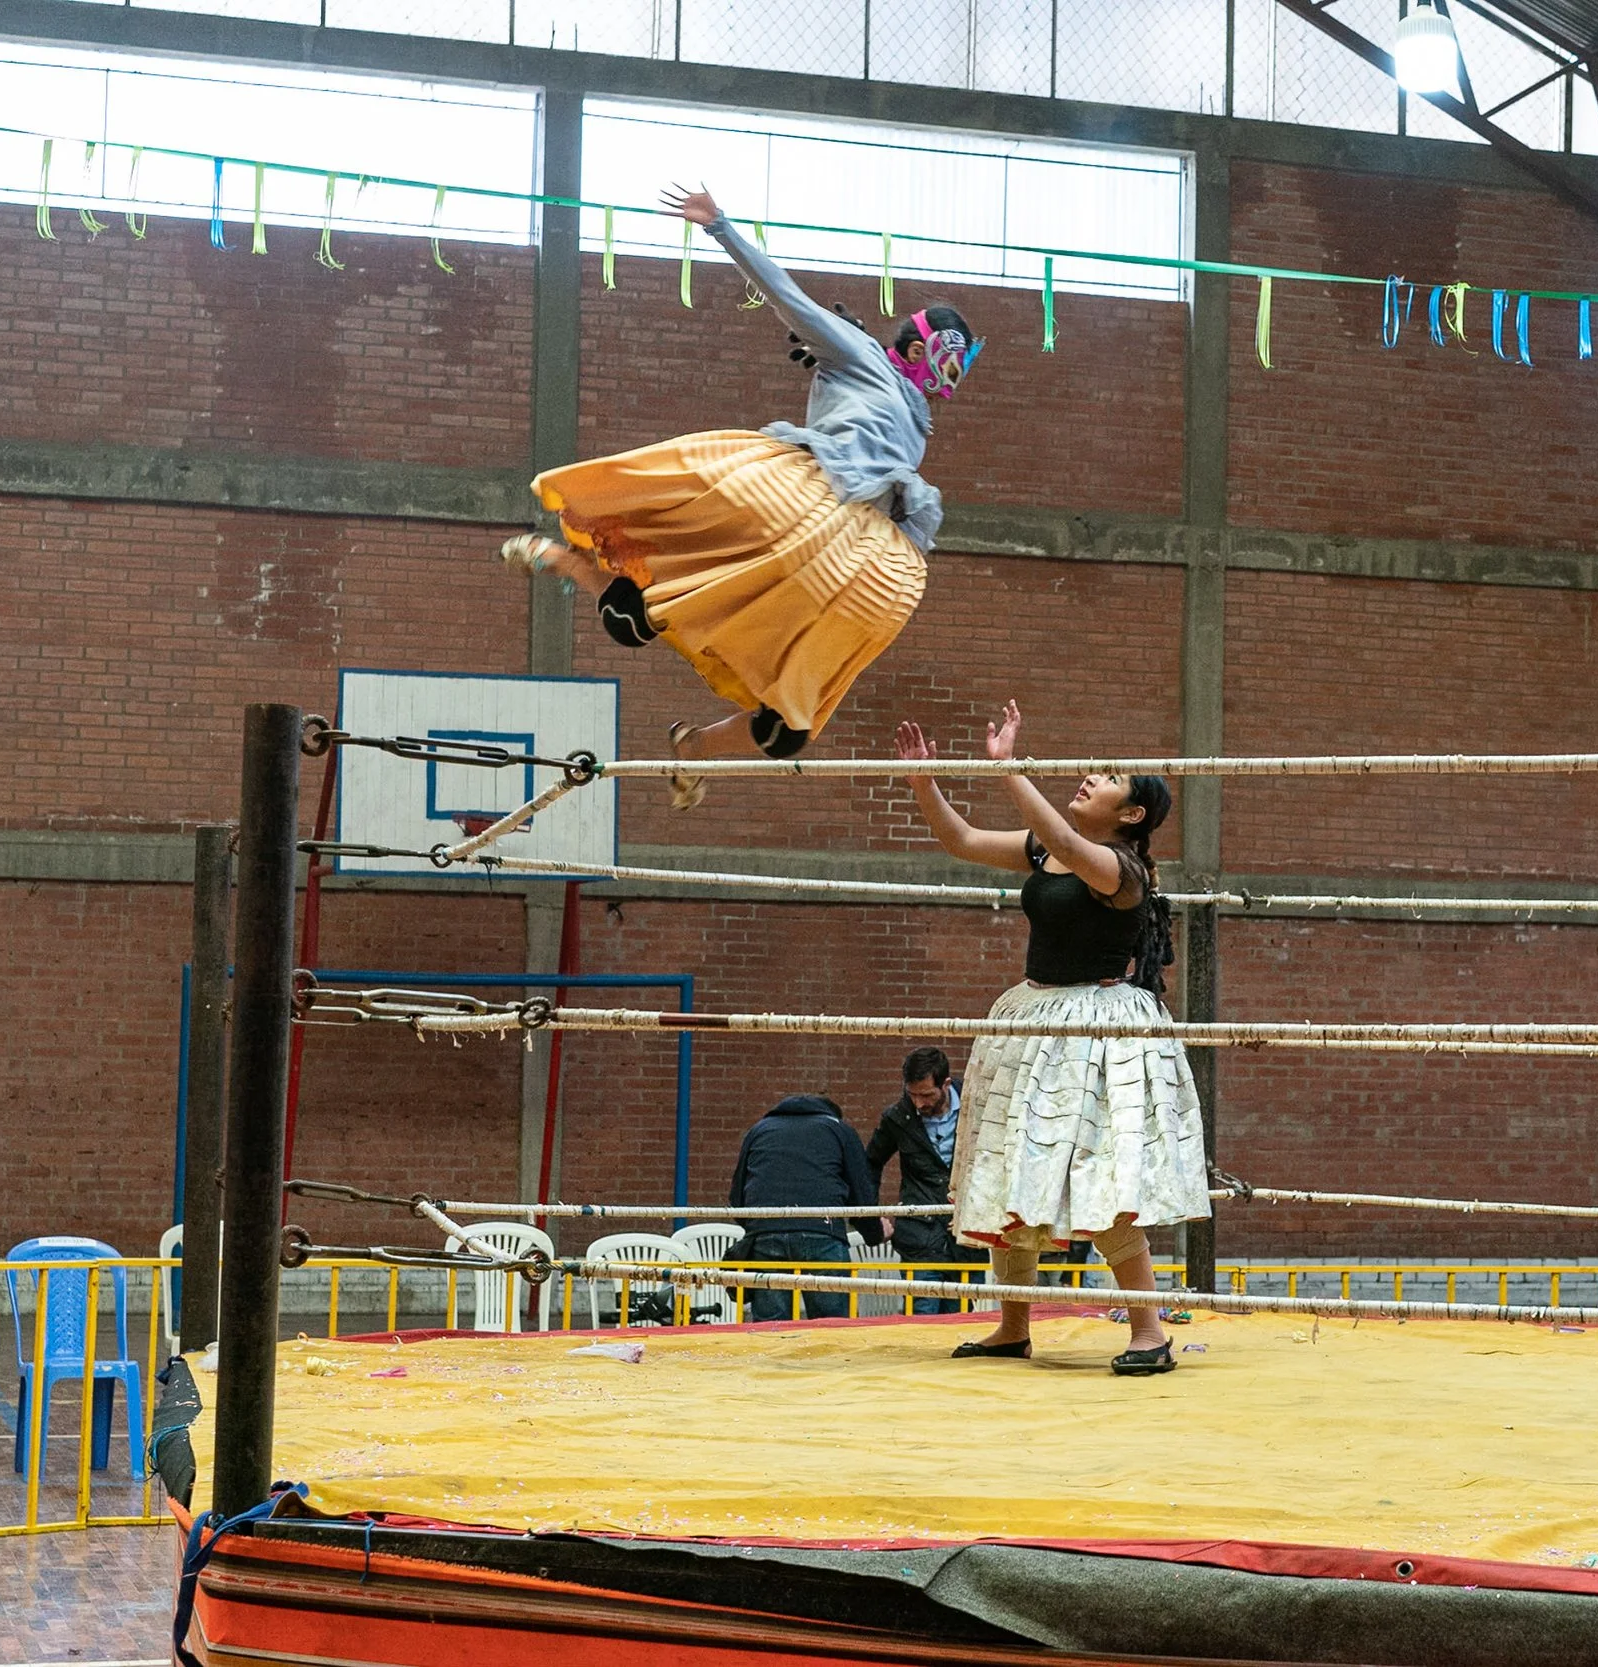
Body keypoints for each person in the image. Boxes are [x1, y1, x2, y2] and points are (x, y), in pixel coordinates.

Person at [499, 183, 980, 807]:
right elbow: (790, 299)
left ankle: (695, 748)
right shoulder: (862, 354)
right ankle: (568, 560)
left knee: (785, 729)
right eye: (948, 368)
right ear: (920, 351)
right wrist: (719, 225)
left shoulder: (914, 419)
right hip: (807, 501)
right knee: (634, 617)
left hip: (870, 550)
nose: (948, 386)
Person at [897, 703, 1210, 1374]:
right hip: (1031, 1021)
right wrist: (926, 784)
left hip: (1094, 1031)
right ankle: (1012, 1324)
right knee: (1011, 1169)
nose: (1091, 777)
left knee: (1100, 1173)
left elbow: (1069, 846)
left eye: (1109, 777)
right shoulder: (1048, 846)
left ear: (1133, 813)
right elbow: (964, 841)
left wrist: (1010, 767)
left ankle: (1149, 1330)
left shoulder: (1122, 870)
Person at [725, 1093, 889, 1322]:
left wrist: (761, 1227)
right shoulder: (839, 1130)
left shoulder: (759, 1130)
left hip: (766, 1235)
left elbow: (737, 1197)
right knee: (830, 1325)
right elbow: (861, 1195)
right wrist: (876, 1233)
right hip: (822, 1233)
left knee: (771, 1329)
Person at [865, 1046, 981, 1314]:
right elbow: (870, 1164)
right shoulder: (897, 1117)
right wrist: (871, 1215)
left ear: (946, 1084)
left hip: (964, 1236)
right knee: (921, 1316)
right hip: (919, 1236)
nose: (919, 1103)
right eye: (912, 1095)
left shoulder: (977, 1107)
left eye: (927, 1095)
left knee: (962, 1316)